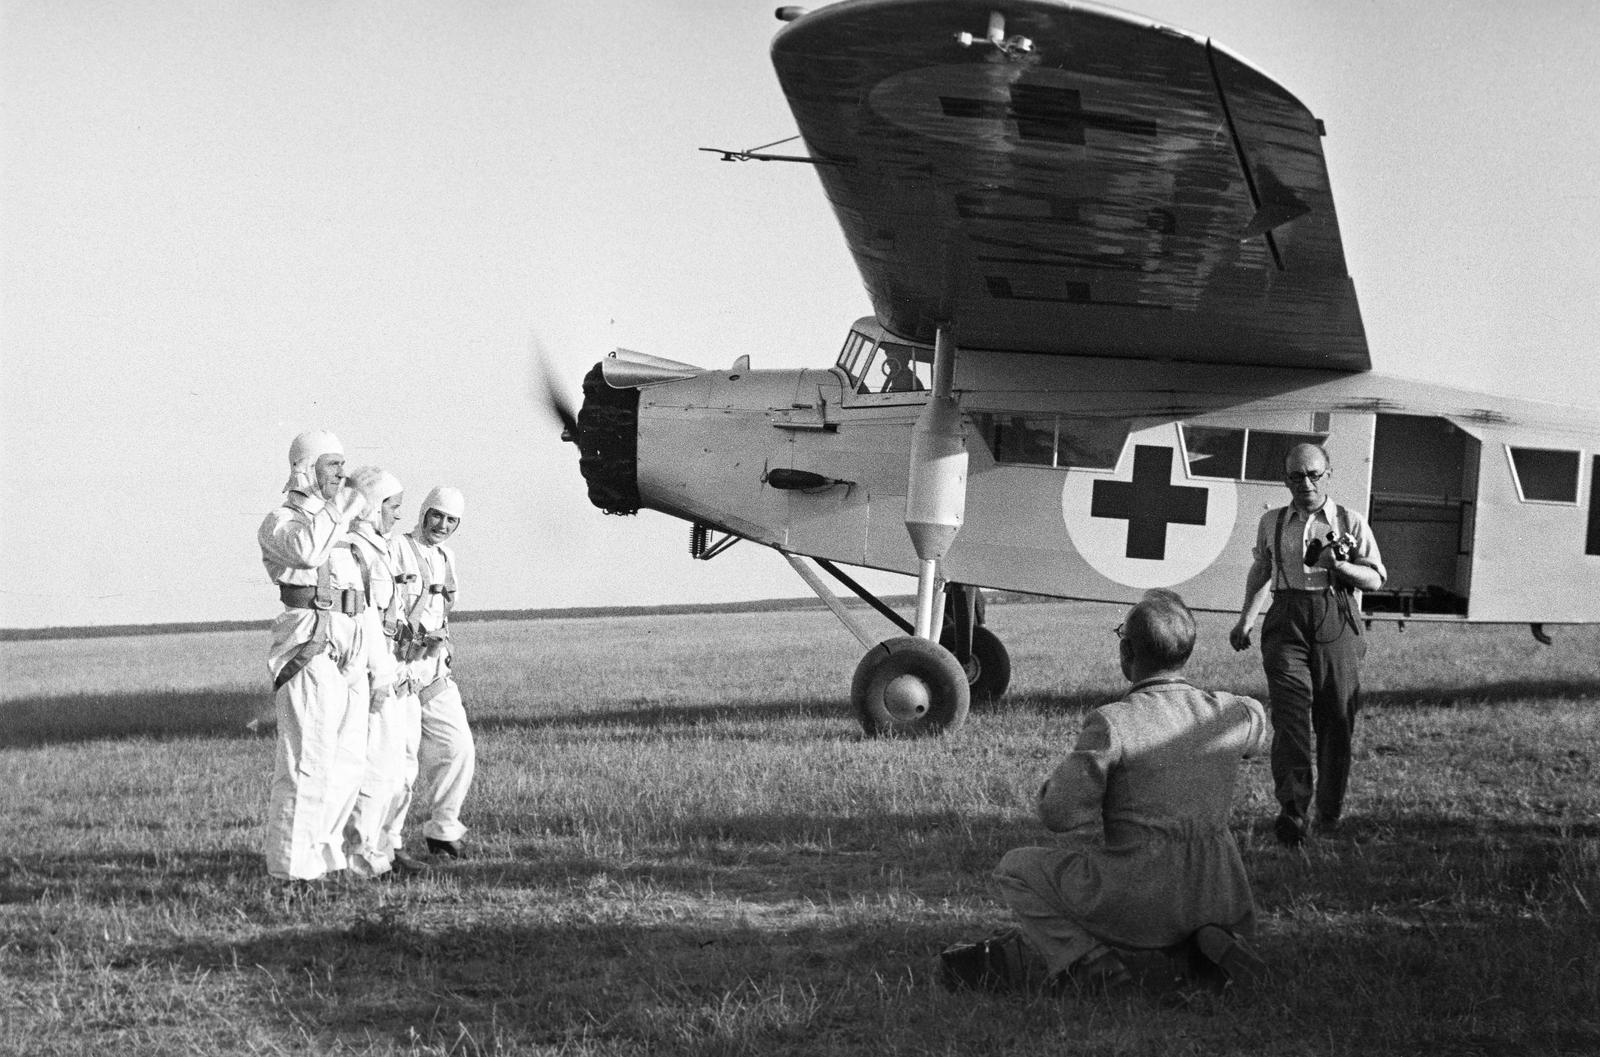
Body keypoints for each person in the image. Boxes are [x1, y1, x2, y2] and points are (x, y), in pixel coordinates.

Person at [976, 590, 1269, 996]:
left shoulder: (1112, 724)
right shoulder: (1228, 713)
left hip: (1143, 899)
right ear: (1185, 653)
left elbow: (1058, 816)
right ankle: (1209, 945)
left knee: (1016, 868)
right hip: (1220, 894)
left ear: (1127, 652)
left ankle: (1092, 965)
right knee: (1193, 914)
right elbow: (1257, 718)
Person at [1229, 442, 1386, 846]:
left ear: (1328, 476)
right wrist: (1246, 619)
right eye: (1297, 476)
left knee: (1336, 716)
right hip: (1286, 619)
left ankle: (1329, 812)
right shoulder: (1272, 522)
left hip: (1336, 615)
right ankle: (1293, 810)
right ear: (1286, 480)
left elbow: (1376, 579)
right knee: (1290, 716)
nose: (1306, 483)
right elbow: (1262, 569)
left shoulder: (1351, 521)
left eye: (1314, 474)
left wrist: (1340, 565)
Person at [257, 430, 382, 883]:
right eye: (332, 465)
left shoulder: (341, 522)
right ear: (305, 468)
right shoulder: (280, 521)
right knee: (307, 759)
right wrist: (347, 504)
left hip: (351, 641)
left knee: (347, 760)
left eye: (343, 465)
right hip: (309, 639)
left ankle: (324, 858)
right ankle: (291, 871)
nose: (342, 474)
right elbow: (308, 552)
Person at [341, 469, 426, 879]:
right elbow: (368, 621)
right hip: (375, 671)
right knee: (376, 767)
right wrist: (380, 675)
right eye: (392, 506)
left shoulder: (381, 548)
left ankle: (384, 849)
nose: (397, 515)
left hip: (394, 666)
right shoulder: (356, 549)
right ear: (372, 506)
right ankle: (361, 857)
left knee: (399, 766)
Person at [390, 486, 475, 859]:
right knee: (402, 763)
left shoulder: (446, 557)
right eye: (436, 515)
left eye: (451, 520)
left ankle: (443, 830)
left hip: (435, 671)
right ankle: (386, 845)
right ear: (423, 513)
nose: (442, 525)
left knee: (458, 748)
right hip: (399, 673)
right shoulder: (395, 548)